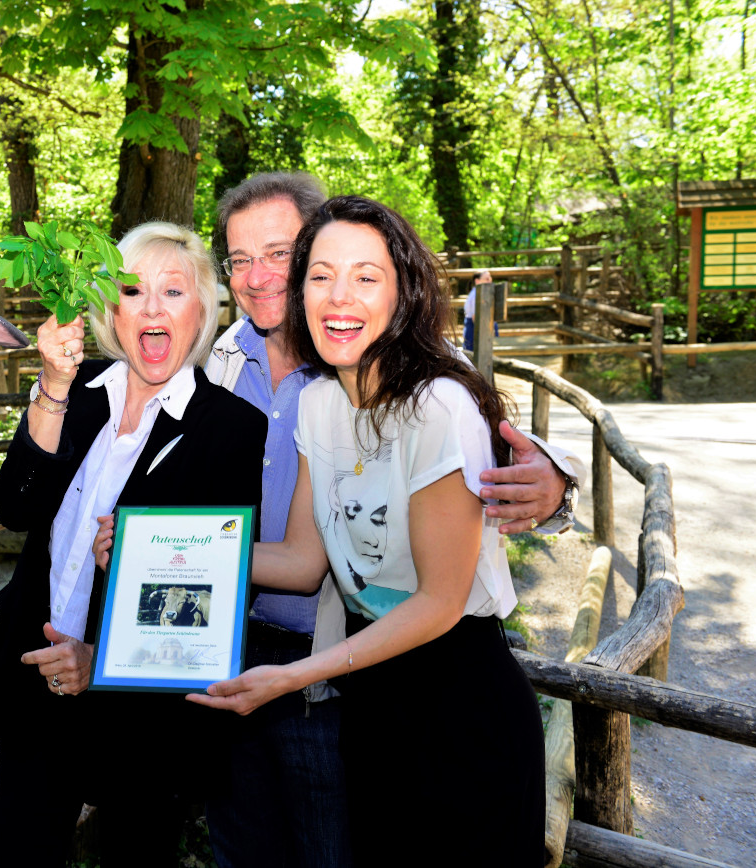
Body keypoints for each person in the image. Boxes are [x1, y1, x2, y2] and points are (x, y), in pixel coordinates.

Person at [200, 172, 581, 868]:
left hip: (458, 699)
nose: (338, 295)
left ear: (402, 291)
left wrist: (292, 677)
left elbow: (438, 603)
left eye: (364, 278)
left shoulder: (438, 400)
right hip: (370, 706)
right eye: (322, 276)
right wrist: (170, 547)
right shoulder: (318, 402)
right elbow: (302, 560)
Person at [0, 222, 267, 868]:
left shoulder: (234, 429)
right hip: (34, 687)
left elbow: (211, 597)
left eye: (174, 292)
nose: (153, 308)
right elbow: (13, 506)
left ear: (203, 311)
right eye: (133, 291)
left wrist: (97, 655)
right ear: (111, 308)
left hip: (142, 720)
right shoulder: (76, 392)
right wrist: (49, 385)